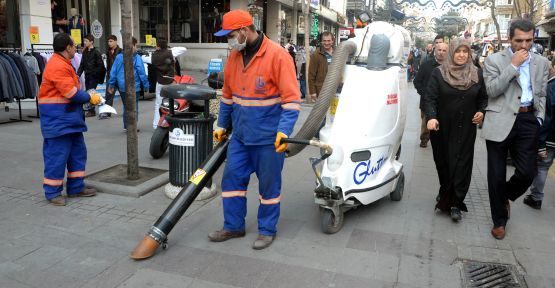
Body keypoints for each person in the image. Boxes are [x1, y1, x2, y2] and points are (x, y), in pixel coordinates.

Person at [209, 10, 301, 250]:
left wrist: (284, 131)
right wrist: (221, 124)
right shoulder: (234, 57)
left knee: (269, 187)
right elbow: (228, 97)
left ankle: (267, 230)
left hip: (268, 140)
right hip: (240, 137)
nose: (228, 40)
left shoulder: (278, 56)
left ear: (243, 30)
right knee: (231, 183)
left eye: (230, 35)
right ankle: (233, 226)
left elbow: (291, 100)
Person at [482, 19, 551, 240]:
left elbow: (541, 93)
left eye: (528, 40)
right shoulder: (494, 60)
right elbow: (492, 90)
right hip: (500, 119)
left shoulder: (541, 62)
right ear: (510, 39)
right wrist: (513, 66)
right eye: (519, 40)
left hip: (528, 119)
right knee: (496, 175)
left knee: (527, 172)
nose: (524, 45)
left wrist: (538, 118)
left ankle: (505, 197)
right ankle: (499, 221)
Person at [424, 39, 488, 221]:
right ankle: (445, 190)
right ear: (452, 52)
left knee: (462, 165)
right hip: (442, 128)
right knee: (444, 164)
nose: (461, 55)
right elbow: (430, 98)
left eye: (465, 51)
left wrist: (481, 112)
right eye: (458, 51)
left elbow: (483, 99)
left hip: (466, 129)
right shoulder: (438, 73)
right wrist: (432, 116)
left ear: (469, 54)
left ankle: (455, 203)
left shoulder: (477, 74)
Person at [38, 33, 102, 206]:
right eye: (74, 46)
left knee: (77, 154)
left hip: (67, 120)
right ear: (67, 47)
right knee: (57, 157)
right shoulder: (57, 65)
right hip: (58, 120)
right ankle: (52, 192)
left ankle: (75, 187)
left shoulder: (62, 63)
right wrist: (90, 97)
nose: (76, 48)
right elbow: (70, 93)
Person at [522, 65, 555, 209]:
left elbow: (547, 116)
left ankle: (536, 197)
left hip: (550, 137)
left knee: (542, 166)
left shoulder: (550, 86)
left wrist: (541, 142)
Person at [107, 37, 149, 132]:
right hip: (134, 86)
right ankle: (132, 126)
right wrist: (146, 85)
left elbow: (113, 72)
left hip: (122, 86)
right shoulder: (136, 57)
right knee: (134, 107)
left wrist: (111, 85)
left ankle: (127, 125)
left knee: (126, 106)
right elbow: (141, 72)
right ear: (133, 45)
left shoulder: (118, 57)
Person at [414, 43, 449, 148]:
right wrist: (424, 93)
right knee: (426, 122)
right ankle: (424, 139)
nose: (441, 52)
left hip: (445, 101)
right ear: (435, 50)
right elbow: (417, 82)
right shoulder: (426, 65)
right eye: (439, 50)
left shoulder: (451, 66)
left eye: (444, 50)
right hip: (427, 101)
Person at [77, 34, 105, 117]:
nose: (84, 42)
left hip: (94, 77)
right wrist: (78, 74)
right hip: (87, 76)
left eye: (86, 41)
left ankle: (92, 110)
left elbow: (101, 66)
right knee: (90, 92)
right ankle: (93, 109)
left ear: (91, 42)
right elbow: (82, 64)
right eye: (84, 41)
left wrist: (94, 73)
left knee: (90, 92)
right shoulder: (85, 52)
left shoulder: (96, 52)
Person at [151, 38, 175, 129]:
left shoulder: (154, 55)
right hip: (169, 80)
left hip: (160, 80)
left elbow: (152, 63)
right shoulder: (170, 53)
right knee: (170, 102)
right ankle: (169, 122)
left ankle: (156, 123)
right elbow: (183, 49)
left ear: (158, 46)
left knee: (158, 102)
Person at [99, 35, 122, 119]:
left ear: (116, 41)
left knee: (124, 94)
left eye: (111, 41)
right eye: (108, 41)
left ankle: (128, 111)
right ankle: (107, 113)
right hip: (110, 76)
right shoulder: (108, 52)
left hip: (119, 76)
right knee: (108, 94)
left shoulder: (121, 51)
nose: (109, 43)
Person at [308, 31, 334, 103]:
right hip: (321, 90)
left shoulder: (337, 52)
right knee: (322, 113)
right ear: (321, 42)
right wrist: (312, 92)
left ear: (332, 41)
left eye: (329, 40)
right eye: (324, 41)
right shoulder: (316, 55)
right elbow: (311, 75)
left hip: (336, 89)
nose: (326, 43)